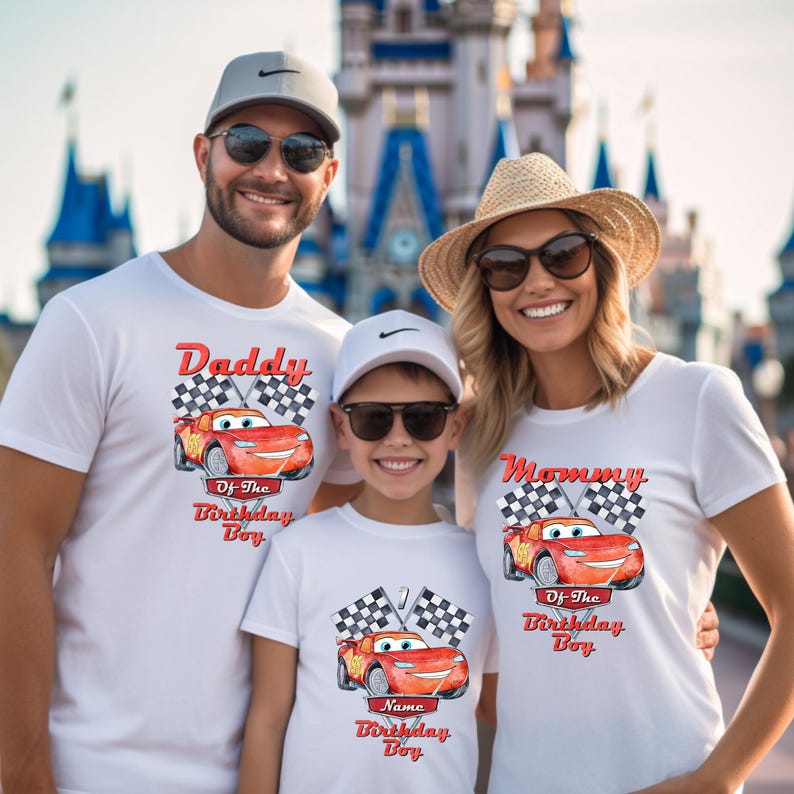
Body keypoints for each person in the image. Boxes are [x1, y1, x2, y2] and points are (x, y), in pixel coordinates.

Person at [0, 51, 361, 792]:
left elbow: (343, 553)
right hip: (94, 770)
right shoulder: (93, 321)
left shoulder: (340, 357)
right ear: (204, 155)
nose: (271, 169)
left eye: (301, 152)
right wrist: (25, 770)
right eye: (246, 143)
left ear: (328, 175)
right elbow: (15, 548)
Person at [417, 152, 794, 793]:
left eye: (562, 254)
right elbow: (497, 645)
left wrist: (719, 779)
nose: (537, 282)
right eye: (505, 266)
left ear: (602, 263)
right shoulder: (479, 435)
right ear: (485, 290)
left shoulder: (698, 398)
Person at [237, 310, 497, 792]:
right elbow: (267, 719)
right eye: (374, 419)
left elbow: (503, 714)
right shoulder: (299, 552)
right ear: (339, 426)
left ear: (456, 426)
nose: (398, 438)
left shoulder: (483, 564)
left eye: (423, 418)